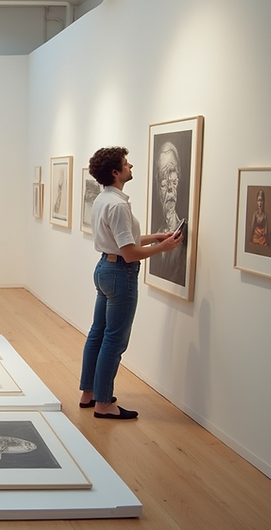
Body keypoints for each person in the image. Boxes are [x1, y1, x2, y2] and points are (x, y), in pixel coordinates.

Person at [78, 147, 183, 420]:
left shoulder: (103, 199)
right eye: (126, 164)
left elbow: (123, 240)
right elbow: (129, 252)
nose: (131, 166)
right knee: (114, 340)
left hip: (104, 268)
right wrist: (164, 248)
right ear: (116, 172)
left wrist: (157, 237)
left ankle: (88, 393)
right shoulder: (119, 205)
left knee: (98, 333)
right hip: (120, 273)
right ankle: (104, 404)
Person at [148, 141, 187, 285]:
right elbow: (129, 250)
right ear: (158, 188)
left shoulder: (183, 229)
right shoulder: (158, 234)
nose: (170, 187)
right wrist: (159, 245)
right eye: (164, 180)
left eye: (173, 175)